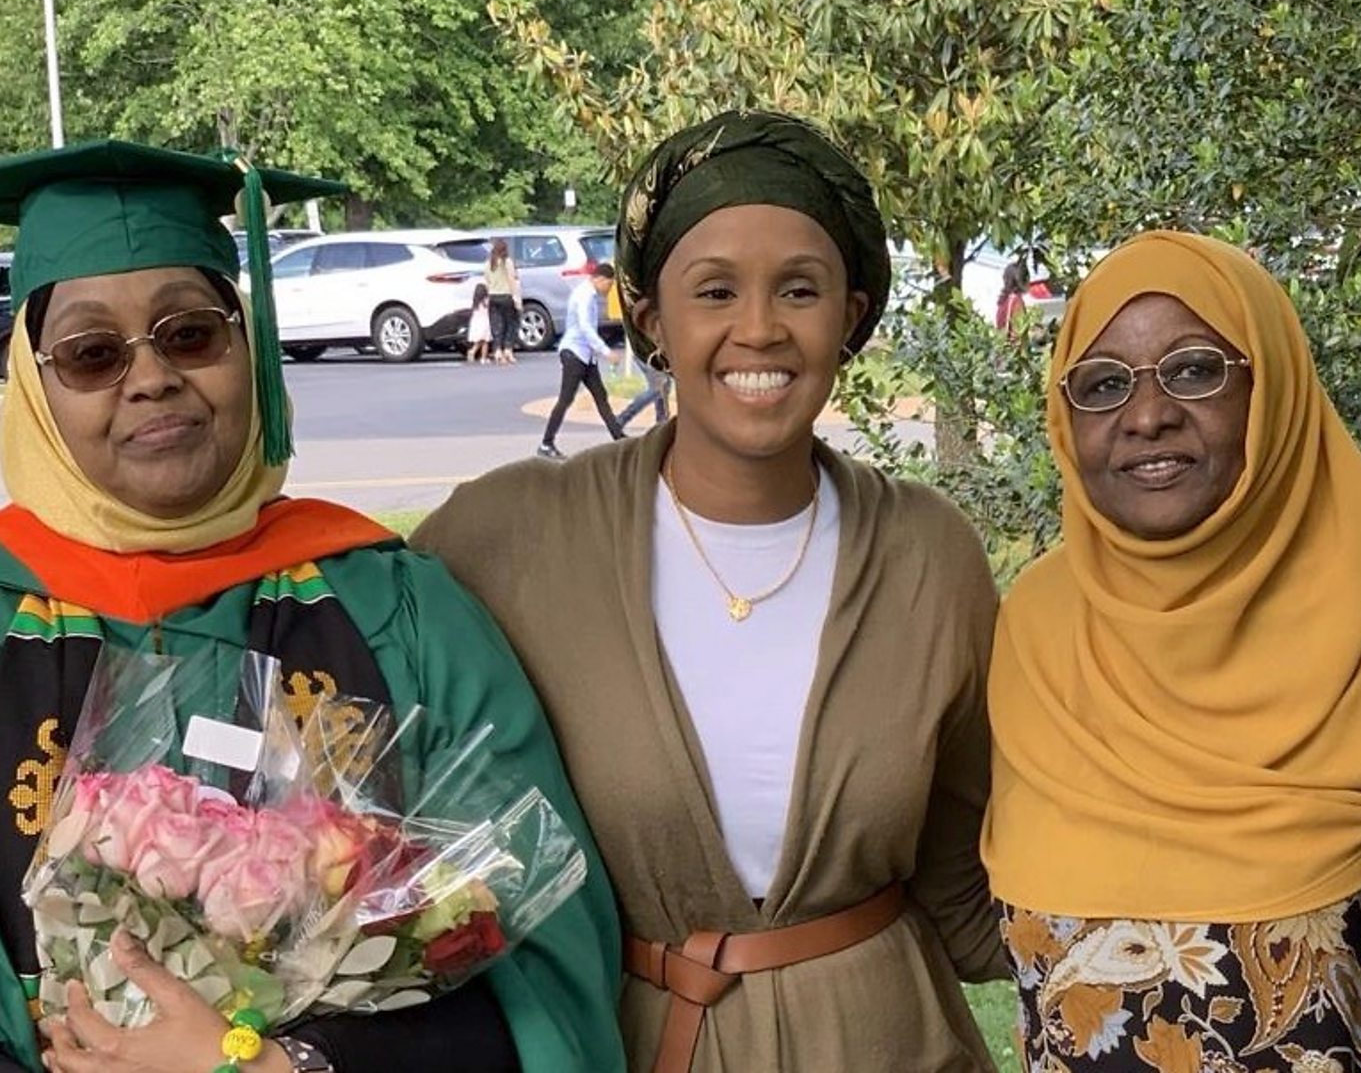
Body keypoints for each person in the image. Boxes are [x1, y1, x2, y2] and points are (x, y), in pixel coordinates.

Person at [0, 140, 624, 1073]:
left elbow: (545, 957)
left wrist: (278, 1066)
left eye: (189, 333)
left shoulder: (398, 604)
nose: (150, 378)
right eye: (92, 353)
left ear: (246, 344)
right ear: (33, 385)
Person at [414, 109, 1004, 1072]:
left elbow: (968, 871)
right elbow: (368, 743)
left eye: (801, 290)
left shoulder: (929, 557)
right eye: (716, 290)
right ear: (651, 317)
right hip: (635, 1042)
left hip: (889, 1040)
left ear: (851, 317)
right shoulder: (514, 537)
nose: (760, 328)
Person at [982, 231, 1361, 1071]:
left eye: (1195, 369)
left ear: (1272, 389)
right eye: (1103, 385)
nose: (1147, 415)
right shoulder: (1033, 630)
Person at [535, 264, 625, 459]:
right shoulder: (584, 296)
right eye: (609, 285)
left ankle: (620, 439)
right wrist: (605, 351)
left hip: (586, 355)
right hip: (574, 353)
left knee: (601, 397)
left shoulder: (590, 294)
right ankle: (546, 443)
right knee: (566, 399)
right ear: (599, 279)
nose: (609, 290)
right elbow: (585, 327)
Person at [484, 237, 521, 365]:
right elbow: (512, 280)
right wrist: (516, 298)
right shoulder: (507, 262)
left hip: (493, 296)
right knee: (511, 324)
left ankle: (497, 350)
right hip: (506, 296)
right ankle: (508, 350)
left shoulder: (489, 263)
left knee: (496, 325)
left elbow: (487, 281)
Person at [466, 280, 491, 364]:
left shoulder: (475, 302)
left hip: (476, 322)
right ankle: (482, 357)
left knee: (480, 340)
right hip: (485, 322)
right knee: (485, 341)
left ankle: (473, 351)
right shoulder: (486, 301)